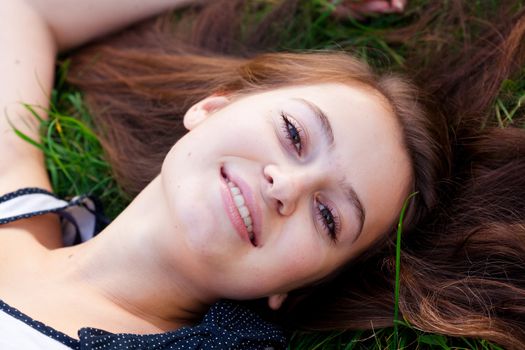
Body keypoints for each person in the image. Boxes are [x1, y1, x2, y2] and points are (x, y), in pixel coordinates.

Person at [0, 1, 524, 350]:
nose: (288, 186)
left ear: (295, 288)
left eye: (327, 216)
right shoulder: (16, 205)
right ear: (210, 108)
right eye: (295, 135)